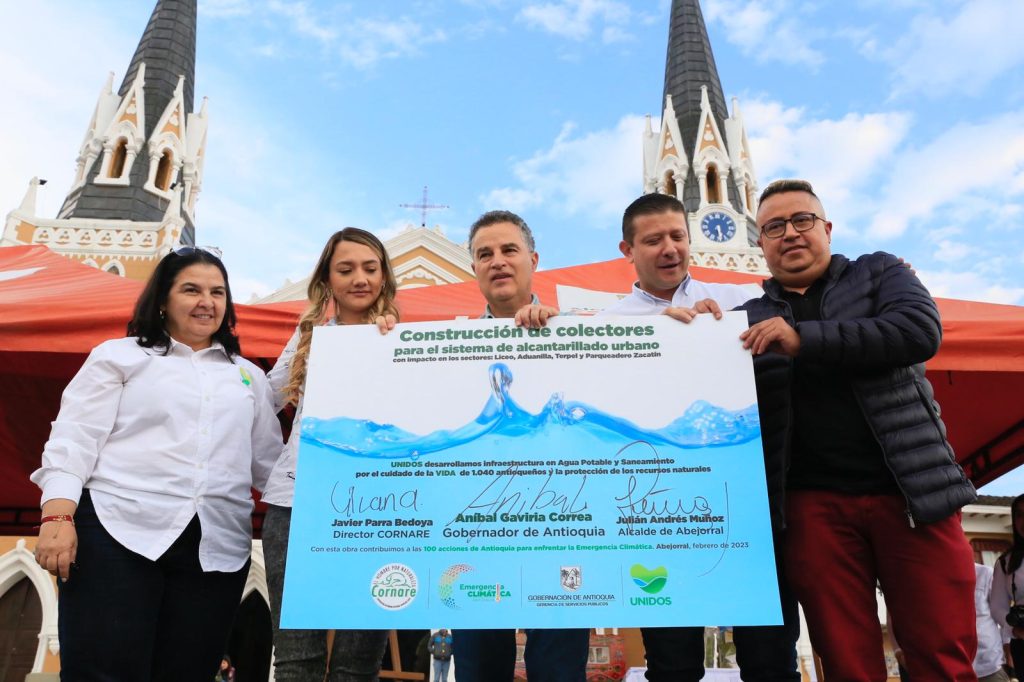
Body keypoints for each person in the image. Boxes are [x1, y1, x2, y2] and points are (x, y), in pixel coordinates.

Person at [737, 178, 978, 680]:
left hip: (912, 496)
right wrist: (689, 330)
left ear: (827, 228)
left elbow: (918, 331)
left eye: (802, 220)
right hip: (812, 510)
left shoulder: (880, 271)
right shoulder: (745, 317)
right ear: (760, 244)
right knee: (846, 662)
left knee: (942, 653)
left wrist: (802, 339)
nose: (790, 233)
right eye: (774, 227)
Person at [31, 246, 283, 680]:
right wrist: (57, 514)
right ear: (163, 299)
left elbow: (270, 467)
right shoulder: (119, 356)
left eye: (217, 292)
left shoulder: (249, 377)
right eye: (191, 290)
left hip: (217, 548)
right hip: (116, 531)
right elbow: (75, 437)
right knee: (102, 671)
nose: (207, 302)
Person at [596, 192, 799, 682]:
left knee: (771, 662)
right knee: (671, 666)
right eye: (653, 240)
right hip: (657, 520)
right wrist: (655, 342)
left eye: (677, 236)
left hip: (748, 515)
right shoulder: (607, 326)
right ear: (627, 250)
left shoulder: (740, 301)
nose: (669, 248)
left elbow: (805, 322)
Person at [450, 210, 591, 682]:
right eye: (484, 254)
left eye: (509, 250)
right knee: (477, 670)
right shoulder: (447, 348)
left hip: (561, 532)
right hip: (477, 534)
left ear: (533, 259)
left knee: (558, 671)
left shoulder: (577, 333)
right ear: (473, 268)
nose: (498, 261)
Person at [263, 228, 398, 681]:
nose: (360, 279)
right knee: (296, 659)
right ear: (327, 280)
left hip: (379, 515)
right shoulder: (307, 339)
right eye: (346, 269)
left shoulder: (406, 341)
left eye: (370, 268)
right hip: (297, 509)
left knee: (358, 666)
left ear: (384, 276)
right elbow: (260, 404)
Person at [992, 494, 1024, 677]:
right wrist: (1015, 630)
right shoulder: (1006, 562)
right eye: (1019, 514)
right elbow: (997, 606)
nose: (1023, 520)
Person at [976, 562, 1011, 682]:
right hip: (951, 667)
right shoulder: (934, 577)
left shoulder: (985, 573)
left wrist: (1010, 659)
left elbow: (1004, 616)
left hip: (988, 665)